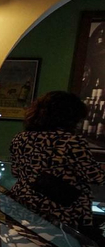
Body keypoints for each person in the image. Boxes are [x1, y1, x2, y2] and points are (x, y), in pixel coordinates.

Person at [8, 91, 105, 231]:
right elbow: (96, 177)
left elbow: (16, 172)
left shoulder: (20, 138)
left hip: (23, 202)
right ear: (70, 116)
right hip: (60, 209)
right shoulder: (71, 141)